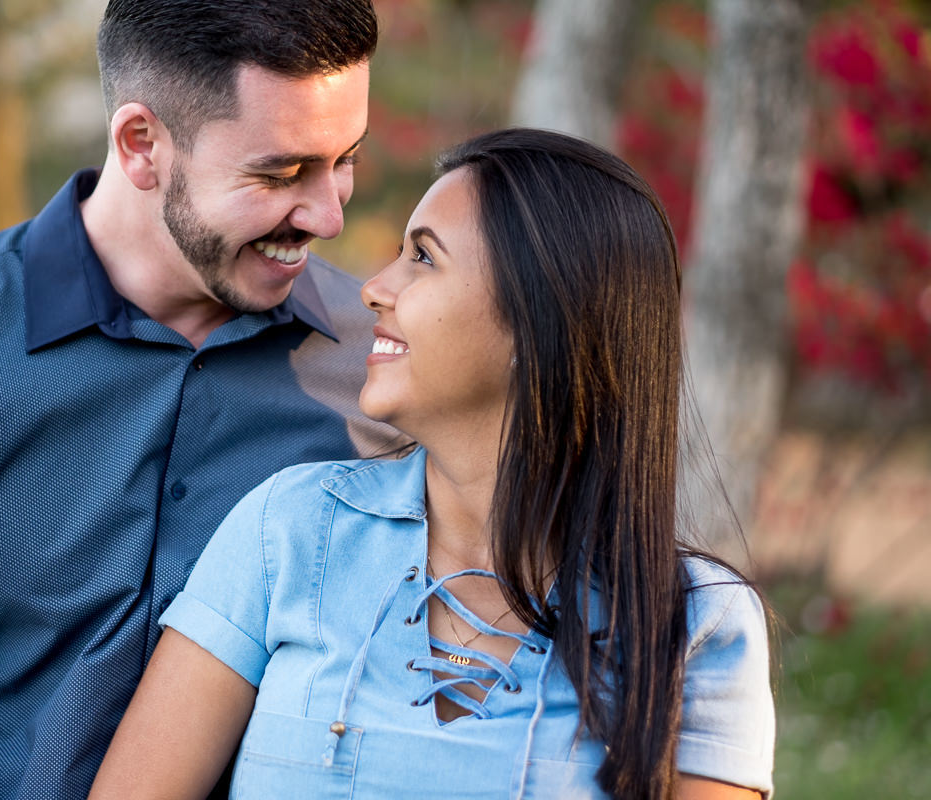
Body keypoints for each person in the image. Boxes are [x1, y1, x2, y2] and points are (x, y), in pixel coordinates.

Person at [0, 1, 398, 798]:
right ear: (142, 145)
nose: (329, 214)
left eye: (345, 158)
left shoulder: (387, 368)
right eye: (280, 173)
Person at [89, 128, 776, 800]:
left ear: (541, 323)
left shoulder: (694, 626)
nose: (373, 289)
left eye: (422, 258)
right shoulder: (288, 533)